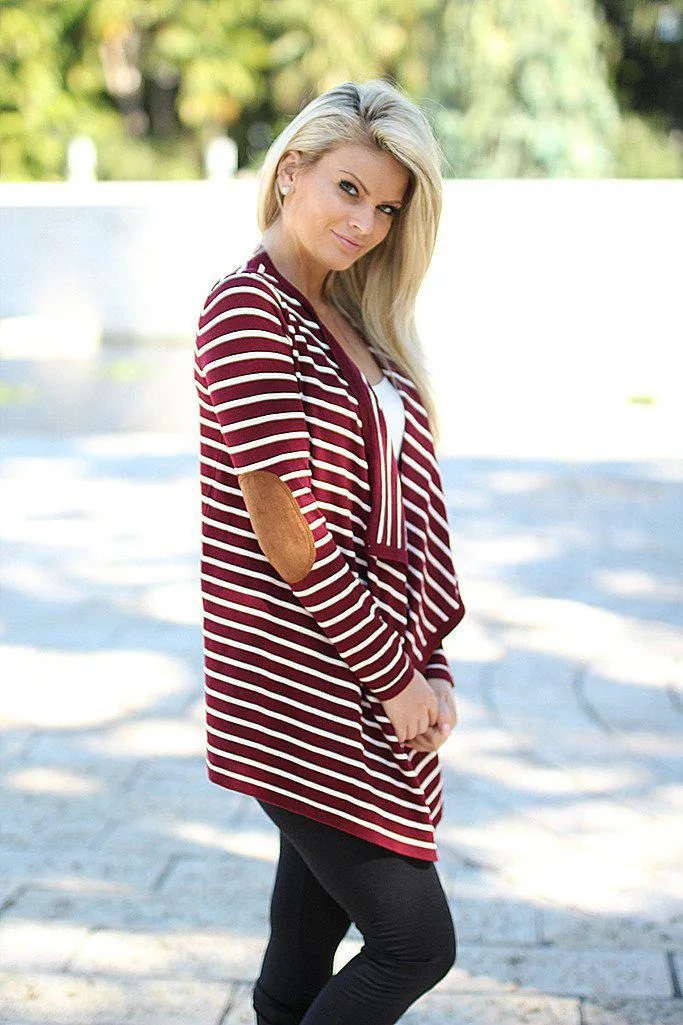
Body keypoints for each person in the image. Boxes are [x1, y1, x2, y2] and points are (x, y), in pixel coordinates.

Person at [194, 79, 466, 1025]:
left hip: (356, 672)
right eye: (349, 190)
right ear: (292, 171)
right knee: (412, 943)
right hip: (299, 682)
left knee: (304, 949)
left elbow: (407, 519)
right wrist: (396, 676)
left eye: (388, 206)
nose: (367, 223)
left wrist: (428, 660)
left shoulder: (349, 321)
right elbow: (290, 536)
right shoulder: (246, 312)